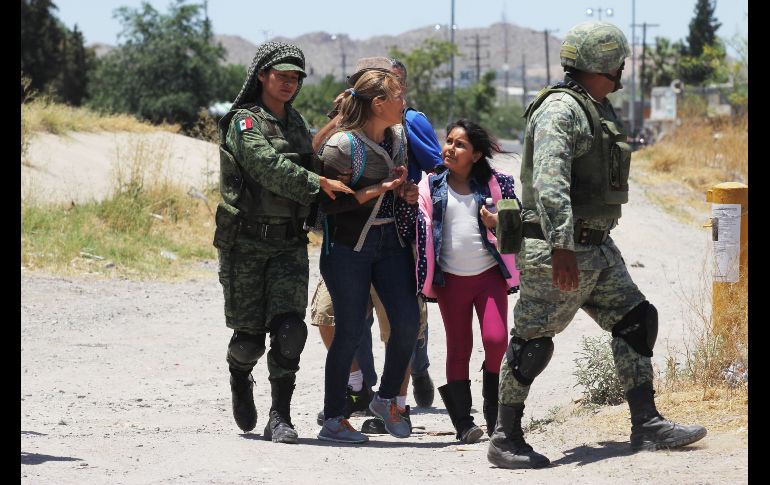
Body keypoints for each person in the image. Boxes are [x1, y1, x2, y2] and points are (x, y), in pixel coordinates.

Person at [486, 21, 707, 469]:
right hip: (557, 251)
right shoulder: (561, 111)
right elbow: (549, 185)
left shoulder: (595, 107)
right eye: (619, 62)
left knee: (635, 320)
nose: (623, 69)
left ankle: (646, 424)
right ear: (607, 64)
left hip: (598, 249)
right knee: (533, 342)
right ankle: (505, 437)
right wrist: (563, 246)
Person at [214, 41, 353, 444]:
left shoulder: (296, 123)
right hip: (245, 245)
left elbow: (314, 155)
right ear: (261, 76)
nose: (289, 83)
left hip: (289, 243)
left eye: (296, 77)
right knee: (248, 341)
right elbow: (267, 166)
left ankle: (280, 415)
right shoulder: (244, 123)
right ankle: (240, 375)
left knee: (291, 331)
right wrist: (318, 184)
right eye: (281, 75)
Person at [309, 57, 442, 432]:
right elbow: (327, 207)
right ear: (378, 104)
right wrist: (374, 190)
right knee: (348, 329)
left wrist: (405, 190)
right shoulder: (341, 145)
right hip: (349, 249)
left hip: (390, 242)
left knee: (407, 322)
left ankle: (385, 400)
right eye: (398, 97)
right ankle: (334, 418)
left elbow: (400, 187)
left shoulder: (398, 137)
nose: (405, 103)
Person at [415, 119, 520, 444]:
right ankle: (463, 423)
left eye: (459, 144)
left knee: (496, 340)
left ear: (476, 155)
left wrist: (498, 220)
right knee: (459, 348)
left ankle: (494, 416)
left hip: (489, 277)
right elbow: (420, 227)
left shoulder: (496, 184)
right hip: (451, 283)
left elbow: (516, 225)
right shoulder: (430, 186)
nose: (450, 148)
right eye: (448, 141)